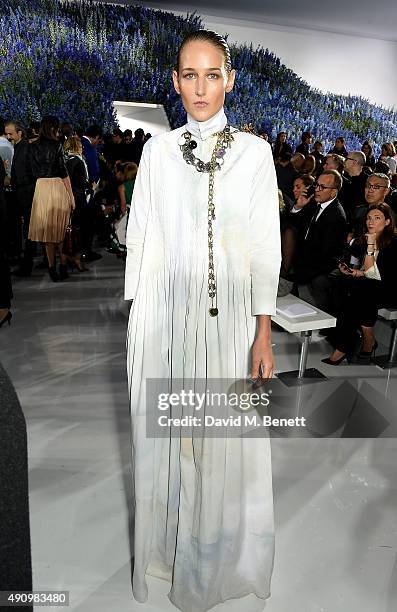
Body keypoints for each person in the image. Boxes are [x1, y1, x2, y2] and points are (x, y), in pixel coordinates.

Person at [125, 29, 280, 612]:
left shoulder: (255, 154)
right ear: (174, 82)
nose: (200, 88)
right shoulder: (158, 152)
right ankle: (169, 555)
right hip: (164, 323)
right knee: (170, 442)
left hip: (230, 325)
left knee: (220, 443)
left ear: (230, 79)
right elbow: (141, 235)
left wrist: (262, 333)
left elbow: (265, 250)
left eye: (211, 74)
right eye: (189, 75)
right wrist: (138, 319)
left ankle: (212, 563)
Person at [322, 203, 397, 364]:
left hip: (391, 289)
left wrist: (370, 246)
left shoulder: (393, 244)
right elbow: (369, 272)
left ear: (388, 222)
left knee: (361, 290)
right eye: (369, 218)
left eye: (377, 218)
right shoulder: (367, 238)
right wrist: (355, 272)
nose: (371, 222)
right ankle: (366, 339)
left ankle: (344, 347)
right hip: (372, 287)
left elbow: (379, 275)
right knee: (343, 283)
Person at [28, 116, 75, 282]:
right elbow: (63, 172)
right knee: (60, 230)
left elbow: (30, 172)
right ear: (54, 128)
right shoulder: (57, 145)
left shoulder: (31, 147)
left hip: (40, 188)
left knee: (48, 234)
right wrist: (71, 196)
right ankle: (62, 266)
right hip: (57, 187)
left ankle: (51, 268)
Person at [293, 169, 347, 310]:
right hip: (305, 265)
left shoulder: (336, 216)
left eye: (322, 187)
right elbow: (293, 227)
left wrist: (301, 271)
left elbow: (326, 253)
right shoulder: (313, 204)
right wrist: (298, 206)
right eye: (317, 185)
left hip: (319, 270)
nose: (317, 189)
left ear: (334, 192)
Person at [6, 121, 36, 277]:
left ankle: (27, 265)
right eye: (7, 133)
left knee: (28, 231)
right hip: (23, 193)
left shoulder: (24, 148)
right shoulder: (20, 147)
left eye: (11, 133)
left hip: (26, 194)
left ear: (20, 133)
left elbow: (26, 173)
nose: (8, 136)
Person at [64, 135, 90, 271]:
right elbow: (79, 182)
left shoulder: (68, 160)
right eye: (80, 145)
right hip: (79, 199)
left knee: (73, 229)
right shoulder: (77, 161)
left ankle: (71, 257)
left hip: (72, 198)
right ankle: (77, 258)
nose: (82, 147)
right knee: (80, 230)